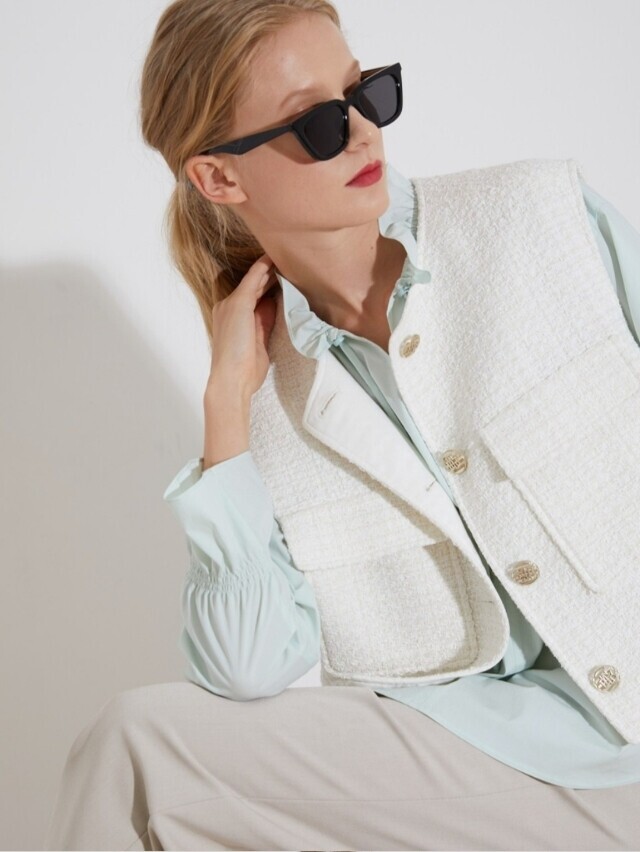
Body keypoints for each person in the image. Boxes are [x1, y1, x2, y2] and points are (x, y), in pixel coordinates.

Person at [44, 0, 640, 849]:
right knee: (140, 751)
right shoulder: (266, 393)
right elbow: (247, 665)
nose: (362, 133)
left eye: (367, 94)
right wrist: (226, 412)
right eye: (318, 124)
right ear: (219, 179)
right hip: (485, 766)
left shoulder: (543, 220)